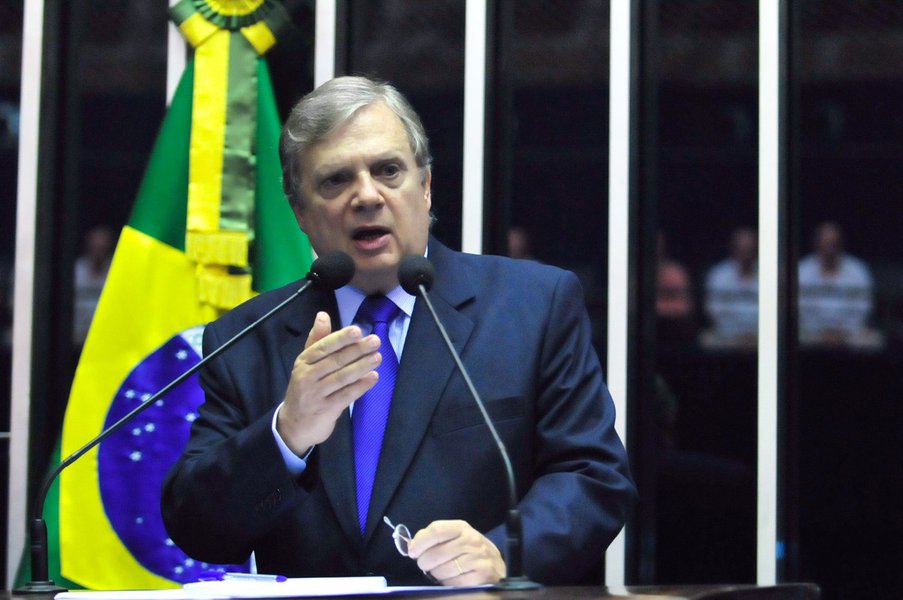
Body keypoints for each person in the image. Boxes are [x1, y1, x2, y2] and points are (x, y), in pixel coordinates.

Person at [162, 76, 635, 586]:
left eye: (388, 170)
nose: (367, 196)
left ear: (426, 186)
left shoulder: (533, 306)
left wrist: (504, 552)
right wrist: (288, 433)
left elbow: (592, 476)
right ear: (300, 212)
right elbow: (198, 528)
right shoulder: (246, 338)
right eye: (335, 181)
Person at [798, 221, 876, 347]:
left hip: (849, 334)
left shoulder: (858, 271)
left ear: (840, 244)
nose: (830, 248)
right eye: (826, 243)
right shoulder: (802, 271)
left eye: (833, 244)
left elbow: (863, 307)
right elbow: (800, 309)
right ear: (817, 244)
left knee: (873, 340)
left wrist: (843, 333)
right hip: (811, 333)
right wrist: (821, 332)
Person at [701, 227, 758, 348]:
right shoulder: (718, 274)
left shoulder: (770, 274)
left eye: (750, 249)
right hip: (728, 335)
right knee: (706, 339)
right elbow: (713, 309)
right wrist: (737, 334)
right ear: (734, 249)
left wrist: (754, 333)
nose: (746, 254)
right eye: (742, 248)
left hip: (761, 335)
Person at [73, 225, 114, 348]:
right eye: (96, 248)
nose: (98, 252)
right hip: (76, 339)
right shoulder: (76, 272)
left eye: (102, 248)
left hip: (105, 341)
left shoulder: (115, 272)